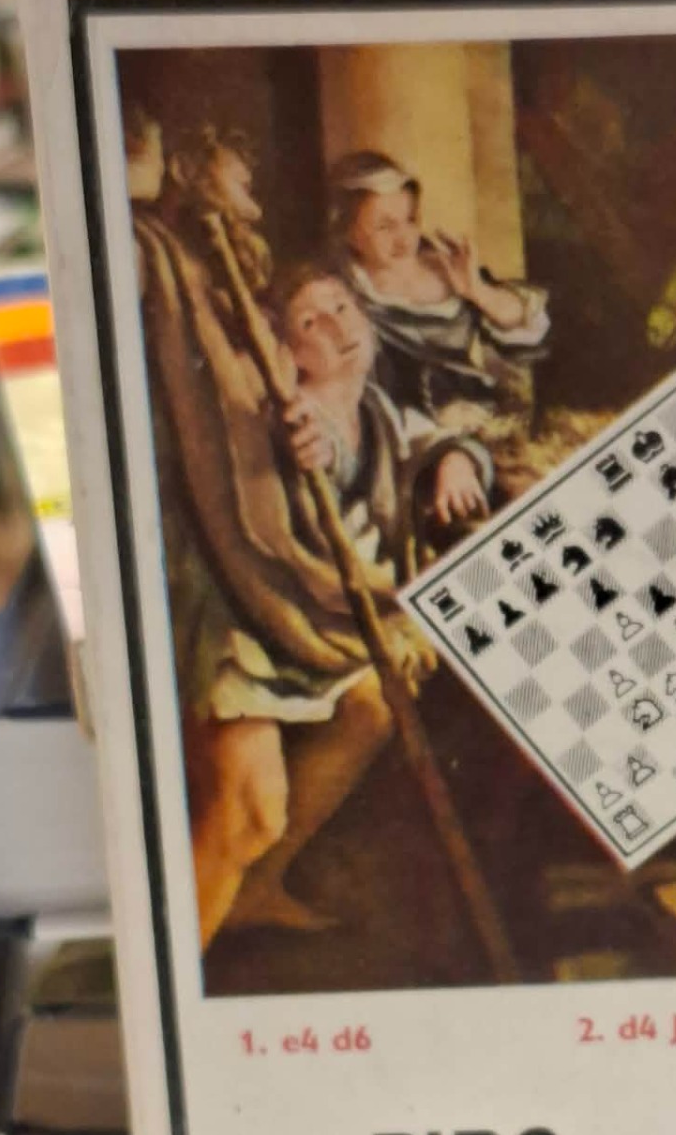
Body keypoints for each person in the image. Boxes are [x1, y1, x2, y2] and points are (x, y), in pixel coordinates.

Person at [129, 127, 492, 947]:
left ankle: (258, 889)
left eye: (341, 309)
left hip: (305, 612)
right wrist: (305, 444)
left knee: (368, 710)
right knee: (247, 810)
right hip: (250, 610)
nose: (334, 327)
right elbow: (296, 449)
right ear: (286, 353)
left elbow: (429, 433)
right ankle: (176, 965)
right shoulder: (295, 413)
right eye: (309, 322)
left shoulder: (375, 407)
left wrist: (454, 458)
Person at [329, 149, 549, 423]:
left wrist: (477, 291)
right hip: (400, 427)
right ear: (349, 232)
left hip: (480, 415)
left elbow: (528, 330)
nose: (403, 238)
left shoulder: (446, 268)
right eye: (385, 227)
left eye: (410, 220)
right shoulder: (343, 293)